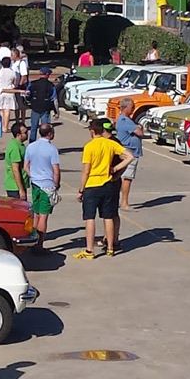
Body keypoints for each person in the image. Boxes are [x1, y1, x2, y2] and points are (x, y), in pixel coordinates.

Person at [75, 119, 134, 259]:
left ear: (92, 131)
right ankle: (110, 247)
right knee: (108, 216)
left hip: (92, 185)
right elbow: (130, 156)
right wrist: (116, 168)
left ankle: (89, 250)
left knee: (90, 218)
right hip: (107, 183)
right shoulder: (111, 144)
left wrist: (81, 190)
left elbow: (86, 171)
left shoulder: (89, 146)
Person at [24, 123, 61, 255]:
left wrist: (33, 176)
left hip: (35, 184)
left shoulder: (31, 146)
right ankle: (39, 246)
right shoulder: (52, 149)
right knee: (44, 217)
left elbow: (26, 166)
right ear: (50, 134)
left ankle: (32, 241)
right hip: (47, 185)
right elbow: (56, 171)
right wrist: (56, 184)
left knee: (36, 214)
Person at [98, 119, 123, 250]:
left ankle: (114, 240)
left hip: (112, 181)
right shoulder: (109, 141)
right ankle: (107, 236)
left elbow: (126, 158)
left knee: (112, 212)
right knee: (106, 212)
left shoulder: (114, 143)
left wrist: (117, 172)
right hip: (105, 181)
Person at [116, 98, 144, 211]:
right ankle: (124, 203)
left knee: (123, 177)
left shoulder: (123, 119)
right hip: (129, 152)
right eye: (131, 107)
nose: (133, 109)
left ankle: (119, 201)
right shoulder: (125, 120)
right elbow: (139, 132)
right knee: (127, 178)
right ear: (126, 107)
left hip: (128, 151)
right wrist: (139, 128)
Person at [27, 67, 57, 143]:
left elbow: (27, 94)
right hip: (46, 109)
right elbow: (54, 99)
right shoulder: (51, 86)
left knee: (33, 128)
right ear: (47, 74)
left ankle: (32, 144)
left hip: (35, 108)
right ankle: (45, 143)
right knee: (46, 129)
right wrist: (56, 112)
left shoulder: (32, 83)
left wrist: (29, 103)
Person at [4, 122, 29, 199]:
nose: (27, 134)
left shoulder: (18, 144)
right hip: (15, 187)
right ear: (18, 135)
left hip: (17, 186)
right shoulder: (15, 148)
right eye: (25, 133)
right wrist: (21, 190)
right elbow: (15, 169)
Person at [0, 57, 17, 133]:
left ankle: (2, 126)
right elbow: (15, 82)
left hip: (1, 91)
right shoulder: (12, 72)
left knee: (1, 109)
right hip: (10, 91)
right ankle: (6, 127)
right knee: (7, 110)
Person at [13, 46, 29, 124]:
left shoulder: (21, 63)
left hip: (20, 87)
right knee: (16, 105)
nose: (11, 56)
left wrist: (20, 85)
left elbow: (24, 75)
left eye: (12, 55)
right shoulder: (13, 63)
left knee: (21, 105)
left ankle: (22, 121)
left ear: (16, 55)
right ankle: (17, 120)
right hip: (15, 87)